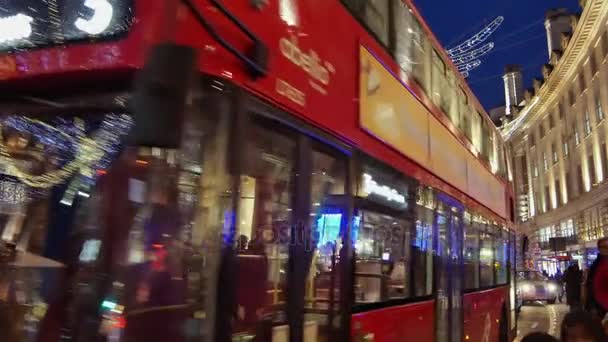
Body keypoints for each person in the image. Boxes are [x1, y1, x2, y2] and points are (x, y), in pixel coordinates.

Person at [586, 237, 608, 319]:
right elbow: (592, 286)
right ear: (599, 249)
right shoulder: (596, 266)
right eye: (604, 247)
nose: (606, 249)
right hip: (599, 305)